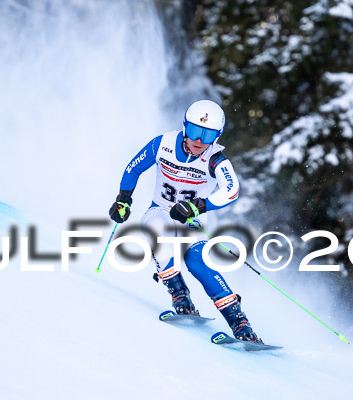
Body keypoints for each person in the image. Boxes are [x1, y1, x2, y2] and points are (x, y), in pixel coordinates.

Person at [108, 100, 262, 343]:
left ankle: (241, 325)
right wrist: (123, 199)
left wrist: (199, 206)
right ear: (184, 127)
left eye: (207, 135)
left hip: (192, 220)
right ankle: (180, 295)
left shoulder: (215, 159)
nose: (199, 140)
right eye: (194, 131)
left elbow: (232, 190)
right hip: (160, 210)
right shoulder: (163, 144)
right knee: (160, 233)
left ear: (217, 136)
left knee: (198, 264)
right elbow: (132, 169)